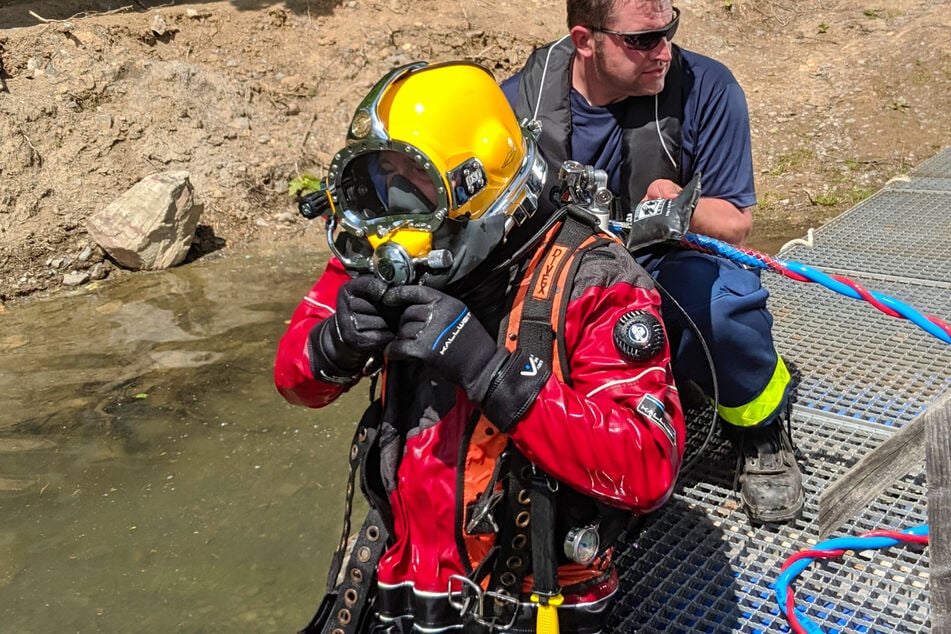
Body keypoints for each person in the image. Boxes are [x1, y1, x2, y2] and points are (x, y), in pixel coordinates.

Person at [275, 60, 685, 633]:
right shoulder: (378, 243)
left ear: (476, 186)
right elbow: (294, 381)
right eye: (378, 178)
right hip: (399, 579)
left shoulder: (595, 280)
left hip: (531, 605)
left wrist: (493, 374)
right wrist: (332, 346)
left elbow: (648, 466)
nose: (393, 210)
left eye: (413, 184)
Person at [500, 0, 803, 524]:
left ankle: (760, 429)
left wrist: (679, 204)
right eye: (642, 40)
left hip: (664, 264)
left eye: (669, 31)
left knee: (724, 307)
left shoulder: (709, 87)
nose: (662, 52)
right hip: (558, 274)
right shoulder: (515, 103)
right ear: (585, 40)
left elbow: (735, 222)